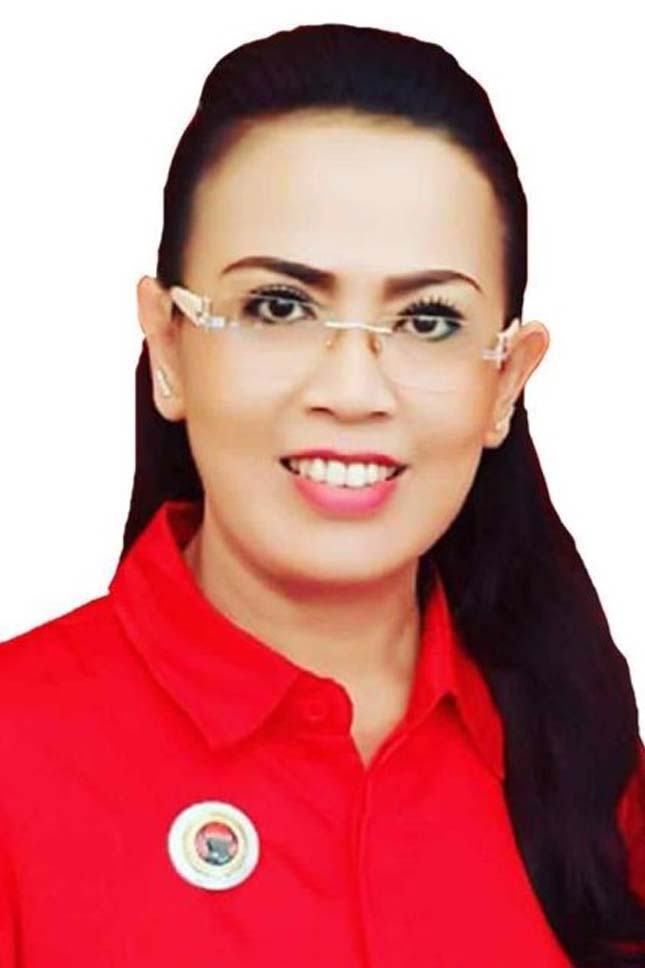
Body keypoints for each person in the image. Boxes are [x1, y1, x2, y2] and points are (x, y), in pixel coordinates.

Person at [1, 22, 644, 968]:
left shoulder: (590, 766)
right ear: (168, 346)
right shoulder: (16, 758)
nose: (351, 390)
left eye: (428, 320)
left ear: (505, 381)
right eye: (278, 306)